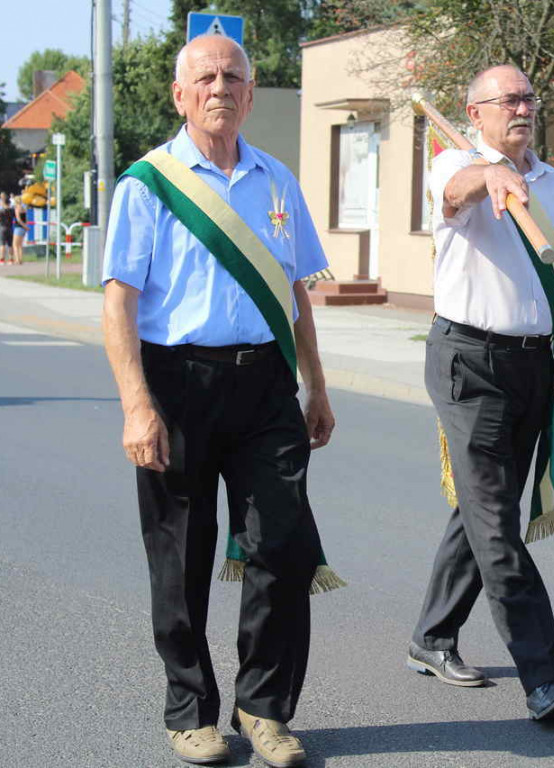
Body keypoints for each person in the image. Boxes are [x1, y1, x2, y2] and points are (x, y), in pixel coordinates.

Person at [102, 34, 334, 767]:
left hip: (265, 383)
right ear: (180, 95)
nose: (218, 87)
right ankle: (190, 709)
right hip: (177, 384)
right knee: (181, 554)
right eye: (204, 77)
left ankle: (264, 708)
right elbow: (120, 303)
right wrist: (137, 405)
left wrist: (315, 383)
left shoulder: (276, 181)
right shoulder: (148, 183)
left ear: (251, 92)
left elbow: (296, 292)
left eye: (232, 76)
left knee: (283, 547)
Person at [408, 64, 554, 721]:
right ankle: (542, 676)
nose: (520, 107)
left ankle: (431, 637)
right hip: (469, 363)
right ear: (475, 111)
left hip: (531, 367)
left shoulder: (552, 186)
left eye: (527, 97)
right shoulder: (454, 163)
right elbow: (453, 193)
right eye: (505, 99)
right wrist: (486, 176)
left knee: (485, 509)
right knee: (495, 521)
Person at [12, 194, 28, 265]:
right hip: (23, 229)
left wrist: (24, 226)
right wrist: (25, 226)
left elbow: (18, 219)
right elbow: (26, 219)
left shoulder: (17, 208)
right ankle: (20, 259)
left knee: (15, 245)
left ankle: (17, 260)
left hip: (18, 227)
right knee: (20, 245)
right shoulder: (23, 208)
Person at [0, 192, 13, 264]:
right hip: (10, 227)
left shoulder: (1, 211)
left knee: (2, 244)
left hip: (3, 227)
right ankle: (11, 259)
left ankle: (2, 259)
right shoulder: (12, 210)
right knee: (10, 244)